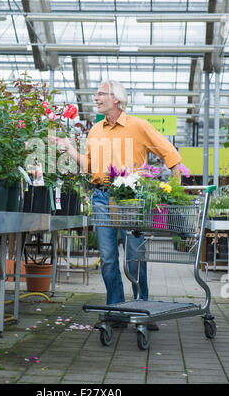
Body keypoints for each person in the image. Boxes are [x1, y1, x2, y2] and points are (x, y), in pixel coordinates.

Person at [53, 80, 182, 330]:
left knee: (135, 258)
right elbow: (89, 166)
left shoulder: (138, 126)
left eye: (101, 94)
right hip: (101, 197)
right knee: (109, 258)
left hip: (130, 200)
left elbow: (170, 155)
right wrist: (69, 148)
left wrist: (172, 192)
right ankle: (116, 309)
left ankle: (142, 306)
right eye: (96, 94)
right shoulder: (95, 130)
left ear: (116, 98)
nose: (96, 98)